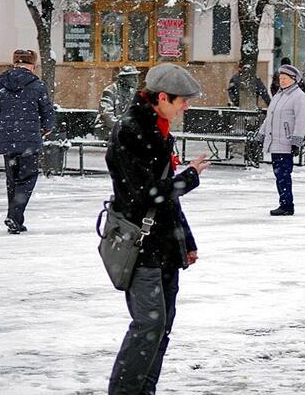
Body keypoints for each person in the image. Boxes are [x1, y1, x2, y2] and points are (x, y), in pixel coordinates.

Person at [106, 63, 210, 394]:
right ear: (162, 97)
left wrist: (186, 241)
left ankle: (144, 390)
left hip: (163, 245)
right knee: (148, 324)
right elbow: (145, 194)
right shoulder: (130, 132)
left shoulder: (160, 129)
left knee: (162, 326)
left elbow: (164, 199)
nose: (186, 106)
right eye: (183, 100)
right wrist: (189, 176)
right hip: (140, 246)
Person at [0, 49, 54, 234]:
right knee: (27, 178)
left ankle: (16, 219)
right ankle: (14, 217)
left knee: (12, 180)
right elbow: (47, 112)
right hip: (30, 140)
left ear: (15, 63)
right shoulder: (38, 85)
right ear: (32, 65)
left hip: (8, 140)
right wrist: (47, 127)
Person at [257, 64, 305, 216]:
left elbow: (301, 120)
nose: (283, 81)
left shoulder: (299, 97)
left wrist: (296, 141)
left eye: (286, 78)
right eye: (281, 78)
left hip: (286, 142)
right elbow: (269, 118)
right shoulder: (279, 96)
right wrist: (261, 134)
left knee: (283, 175)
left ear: (294, 79)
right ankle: (284, 202)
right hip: (275, 142)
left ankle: (287, 205)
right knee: (279, 174)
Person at [94, 65, 140, 140]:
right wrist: (122, 127)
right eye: (132, 77)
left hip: (123, 130)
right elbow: (106, 115)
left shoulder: (133, 92)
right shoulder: (110, 91)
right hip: (107, 129)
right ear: (123, 78)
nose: (136, 80)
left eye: (136, 76)